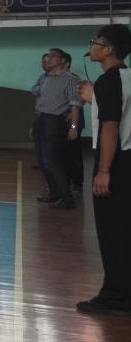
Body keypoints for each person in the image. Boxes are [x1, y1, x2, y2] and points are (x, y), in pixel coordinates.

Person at [76, 24, 131, 316]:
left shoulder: (108, 81)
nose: (91, 46)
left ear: (108, 50)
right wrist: (94, 97)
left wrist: (104, 170)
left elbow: (110, 126)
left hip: (116, 161)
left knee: (113, 231)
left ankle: (115, 297)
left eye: (95, 42)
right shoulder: (125, 78)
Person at [32, 48, 82, 209]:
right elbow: (36, 95)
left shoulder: (70, 79)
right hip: (40, 119)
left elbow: (75, 105)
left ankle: (67, 200)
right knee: (42, 161)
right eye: (47, 56)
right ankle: (54, 194)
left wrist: (73, 127)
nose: (48, 59)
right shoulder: (44, 78)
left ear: (62, 60)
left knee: (51, 161)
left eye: (52, 56)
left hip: (54, 122)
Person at [61, 51, 85, 190]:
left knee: (73, 151)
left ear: (67, 63)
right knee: (63, 151)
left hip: (75, 122)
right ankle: (65, 179)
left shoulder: (75, 79)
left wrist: (73, 122)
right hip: (62, 121)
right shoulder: (58, 79)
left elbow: (82, 99)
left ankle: (76, 181)